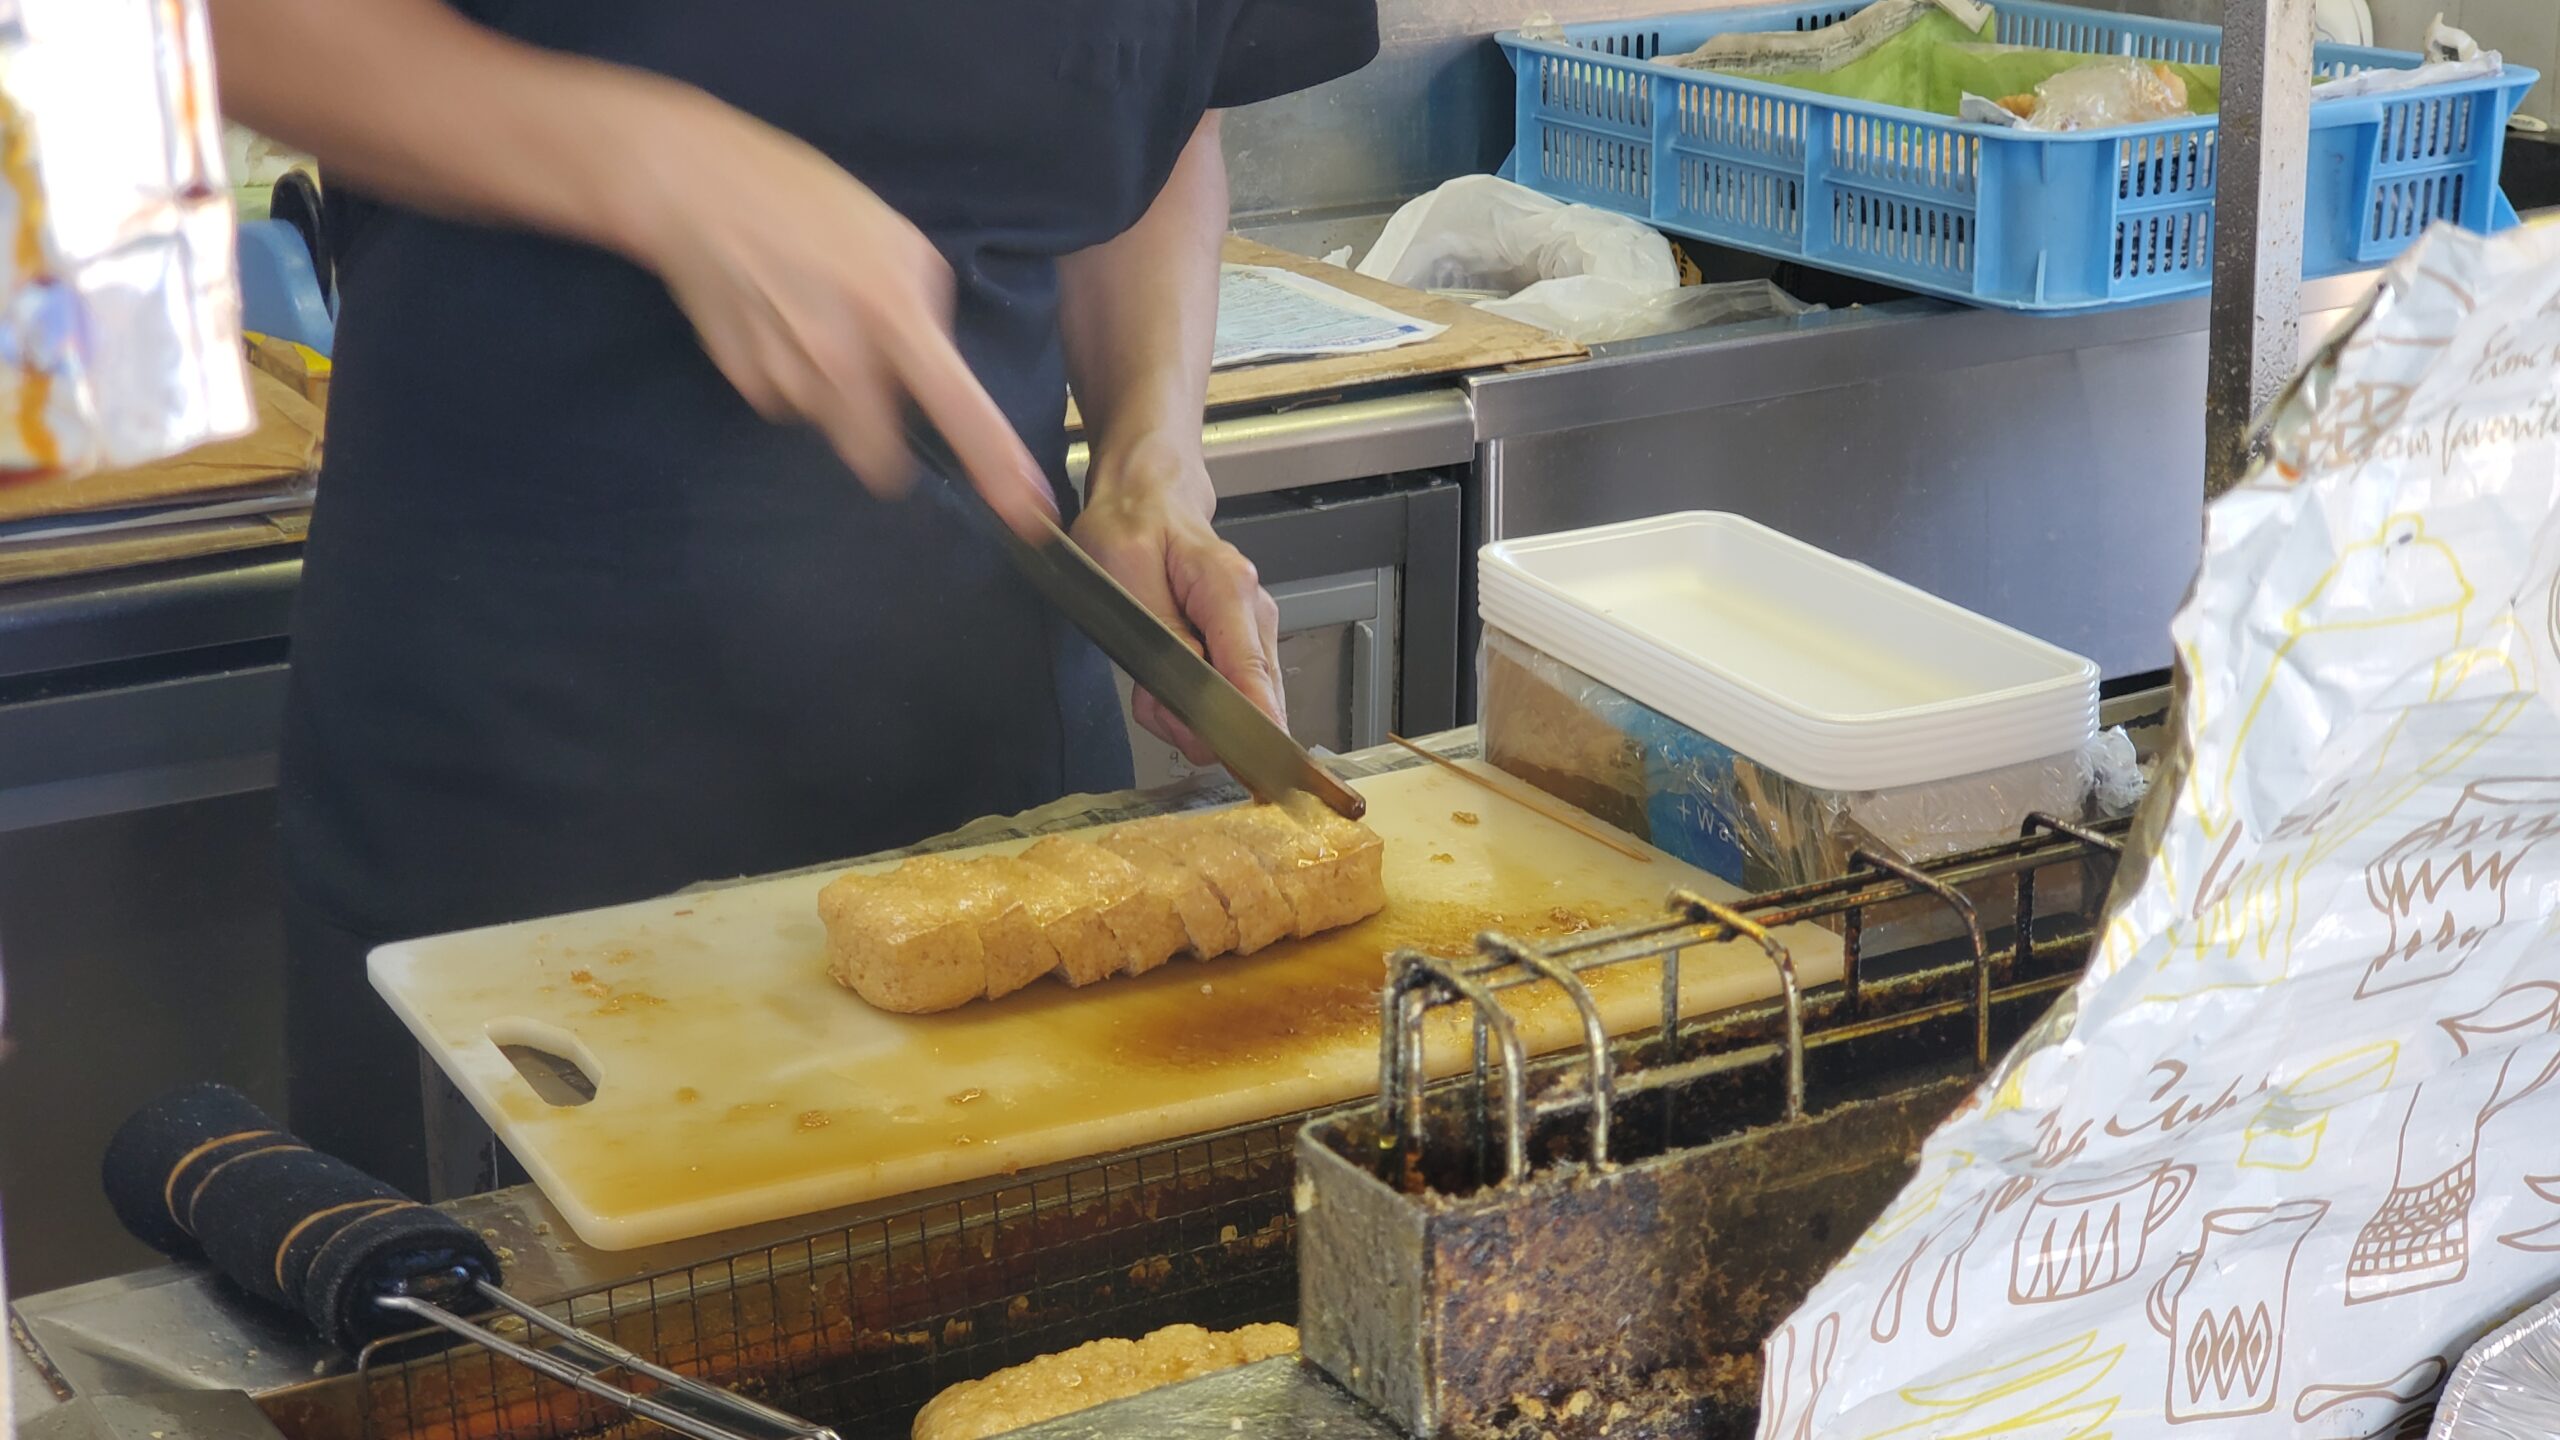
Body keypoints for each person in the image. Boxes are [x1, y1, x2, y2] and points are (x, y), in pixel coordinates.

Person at [207, 0, 1380, 1197]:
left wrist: (1150, 457)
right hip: (523, 757)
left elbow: (1167, 120)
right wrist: (656, 164)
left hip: (992, 787)